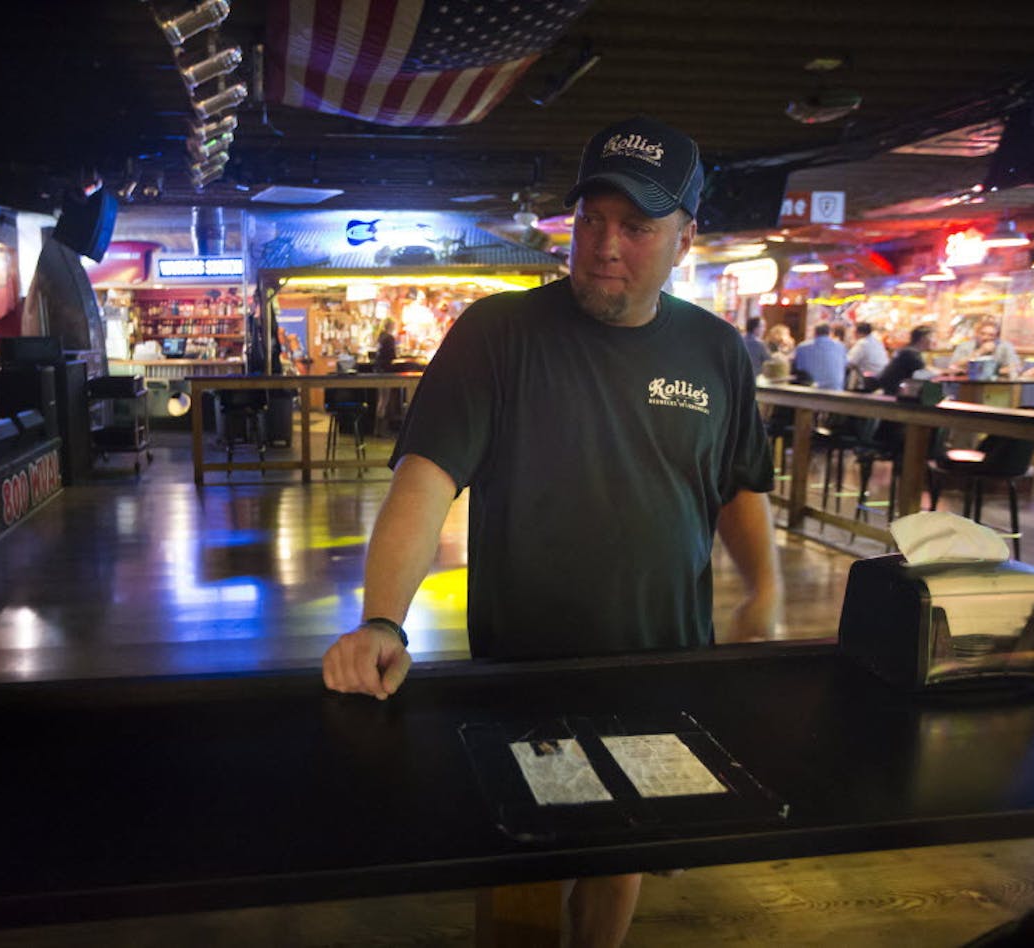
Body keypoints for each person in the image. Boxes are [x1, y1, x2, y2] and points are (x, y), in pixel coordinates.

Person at [321, 116, 780, 948]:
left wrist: (767, 593)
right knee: (526, 865)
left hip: (663, 658)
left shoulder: (718, 352)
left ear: (685, 236)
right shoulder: (497, 335)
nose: (606, 246)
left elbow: (740, 485)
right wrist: (383, 617)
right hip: (523, 667)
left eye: (636, 227)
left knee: (621, 852)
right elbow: (422, 486)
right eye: (591, 222)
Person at [947, 318, 1022, 377]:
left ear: (997, 337)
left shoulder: (1005, 347)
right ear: (976, 334)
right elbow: (953, 366)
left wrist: (991, 372)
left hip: (997, 384)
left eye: (991, 335)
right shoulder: (965, 346)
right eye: (982, 334)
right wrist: (980, 351)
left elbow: (1016, 368)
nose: (986, 337)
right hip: (967, 383)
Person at [876, 325, 937, 395]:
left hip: (893, 390)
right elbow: (929, 371)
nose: (934, 341)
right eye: (932, 337)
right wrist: (947, 372)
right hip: (894, 393)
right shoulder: (910, 353)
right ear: (923, 338)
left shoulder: (908, 350)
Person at [792, 323, 848, 390]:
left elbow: (798, 367)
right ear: (830, 333)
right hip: (836, 391)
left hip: (810, 392)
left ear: (814, 332)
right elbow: (845, 364)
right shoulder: (840, 346)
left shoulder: (802, 347)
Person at [374, 318, 401, 433]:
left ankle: (377, 428)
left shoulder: (381, 336)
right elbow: (393, 355)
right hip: (386, 370)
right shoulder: (389, 338)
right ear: (391, 326)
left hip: (379, 369)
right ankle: (382, 429)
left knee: (381, 399)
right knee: (385, 399)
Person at [846, 321, 889, 385]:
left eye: (853, 332)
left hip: (870, 381)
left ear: (858, 332)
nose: (852, 334)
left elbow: (849, 362)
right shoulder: (877, 342)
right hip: (882, 377)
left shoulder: (862, 343)